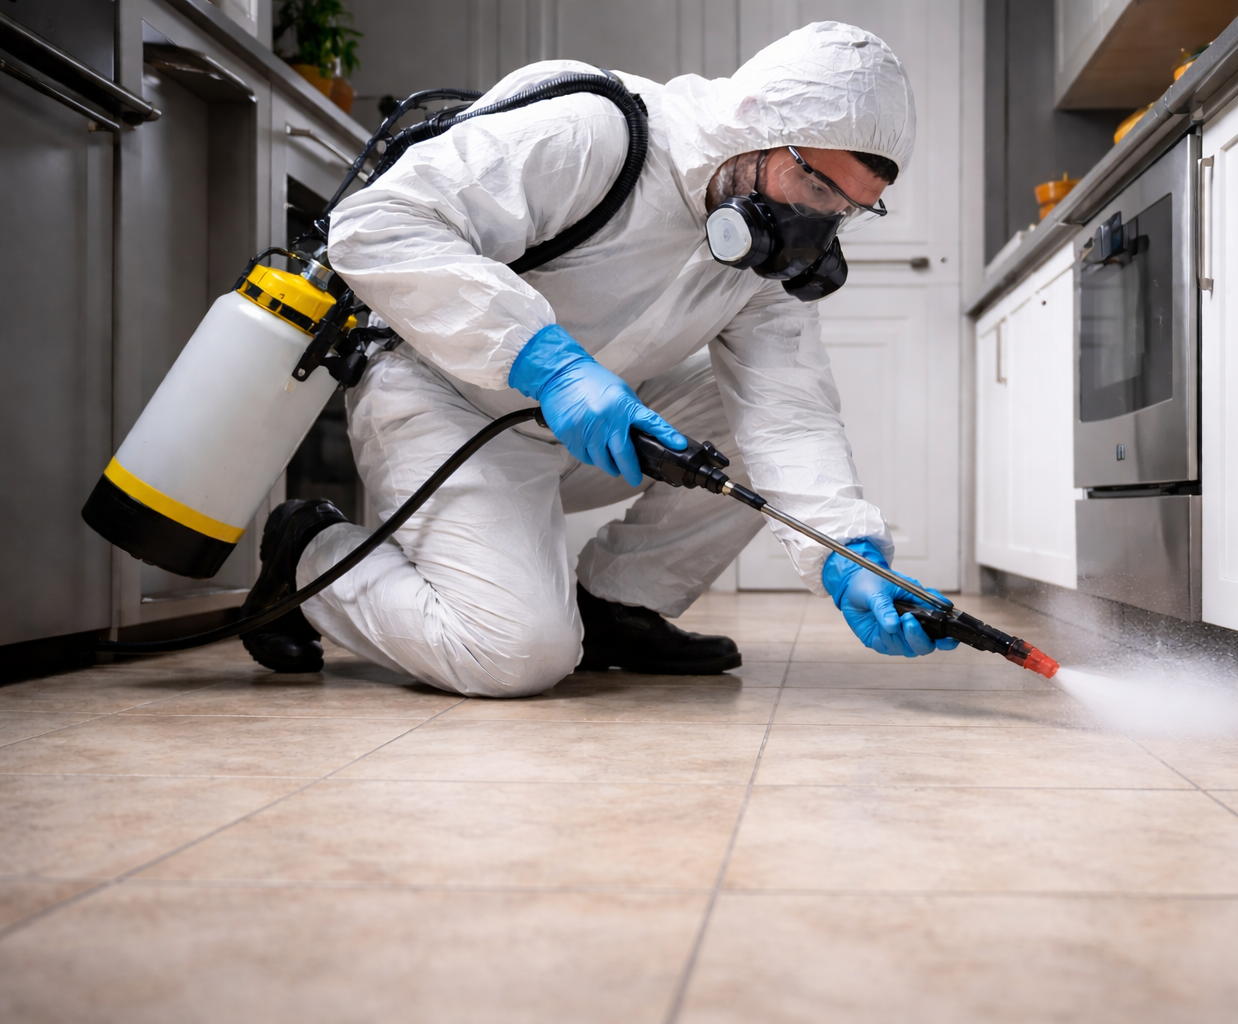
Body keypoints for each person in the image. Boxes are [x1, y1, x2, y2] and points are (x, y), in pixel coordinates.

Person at [238, 21, 957, 697]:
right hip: (443, 402)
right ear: (756, 122)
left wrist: (849, 553)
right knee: (515, 655)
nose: (819, 224)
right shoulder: (597, 133)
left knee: (744, 418)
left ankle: (617, 605)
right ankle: (311, 556)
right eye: (817, 186)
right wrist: (549, 362)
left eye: (847, 209)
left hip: (579, 423)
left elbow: (788, 415)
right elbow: (377, 225)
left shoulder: (761, 263)